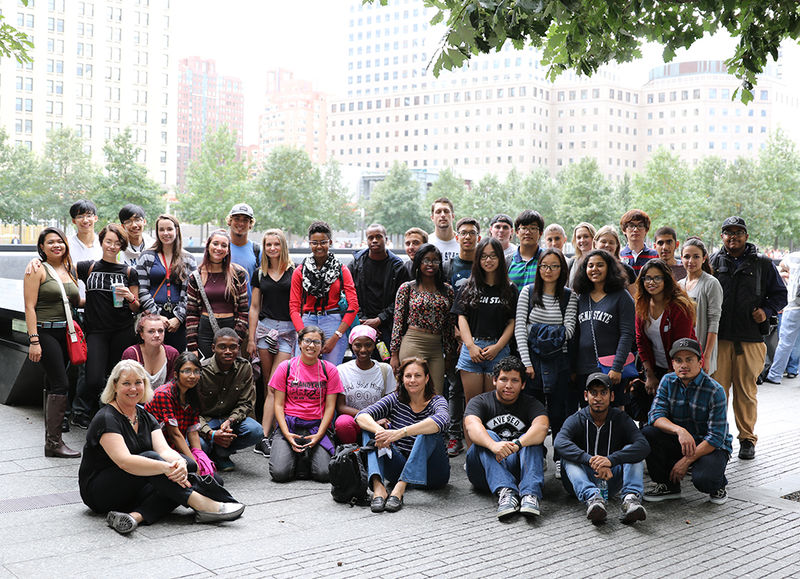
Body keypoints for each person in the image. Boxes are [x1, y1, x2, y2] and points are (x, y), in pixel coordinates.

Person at [79, 360, 244, 535]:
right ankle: (203, 505)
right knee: (156, 461)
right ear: (115, 385)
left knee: (190, 466)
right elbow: (124, 461)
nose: (133, 389)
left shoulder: (144, 415)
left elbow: (164, 450)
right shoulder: (106, 417)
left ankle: (136, 516)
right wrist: (165, 468)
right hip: (102, 491)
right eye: (126, 383)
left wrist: (179, 463)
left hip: (134, 486)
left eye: (138, 383)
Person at [710, 217, 787, 460]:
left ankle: (747, 439)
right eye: (728, 232)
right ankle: (718, 438)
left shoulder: (763, 264)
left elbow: (780, 295)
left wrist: (766, 311)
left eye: (738, 232)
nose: (733, 237)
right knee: (717, 392)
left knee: (746, 393)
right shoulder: (712, 262)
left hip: (750, 339)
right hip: (719, 339)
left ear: (746, 235)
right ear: (722, 236)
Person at [642, 338, 732, 505]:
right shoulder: (667, 381)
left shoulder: (715, 390)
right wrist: (680, 431)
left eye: (689, 359)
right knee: (648, 433)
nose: (683, 365)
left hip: (709, 446)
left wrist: (686, 461)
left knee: (704, 480)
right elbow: (654, 415)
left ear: (700, 362)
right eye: (678, 360)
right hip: (681, 441)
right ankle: (668, 486)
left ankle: (718, 485)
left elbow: (716, 436)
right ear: (673, 364)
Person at [356, 357, 450, 513]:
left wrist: (399, 433)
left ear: (426, 378)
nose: (412, 380)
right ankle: (378, 487)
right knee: (370, 429)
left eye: (418, 376)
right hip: (399, 466)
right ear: (402, 379)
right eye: (408, 376)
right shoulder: (395, 399)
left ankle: (400, 488)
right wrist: (381, 432)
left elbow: (442, 420)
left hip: (433, 473)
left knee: (428, 430)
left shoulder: (437, 401)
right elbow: (362, 415)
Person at [555, 373, 650, 524]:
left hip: (610, 479)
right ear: (586, 396)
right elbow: (559, 443)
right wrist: (591, 460)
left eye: (603, 393)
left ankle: (630, 499)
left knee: (633, 451)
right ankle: (593, 498)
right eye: (593, 393)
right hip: (580, 480)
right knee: (567, 457)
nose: (598, 398)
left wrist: (610, 461)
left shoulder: (620, 418)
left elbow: (643, 446)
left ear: (612, 396)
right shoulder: (577, 418)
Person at [515, 248, 576, 473]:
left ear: (562, 269)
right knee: (534, 412)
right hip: (531, 361)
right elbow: (520, 329)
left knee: (560, 413)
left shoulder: (570, 296)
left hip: (560, 361)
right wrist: (526, 362)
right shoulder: (527, 292)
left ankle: (560, 458)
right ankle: (536, 454)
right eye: (544, 266)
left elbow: (569, 330)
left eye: (554, 266)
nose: (548, 271)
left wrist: (535, 330)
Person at [73, 224, 140, 429]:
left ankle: (109, 417)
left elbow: (136, 307)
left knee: (117, 376)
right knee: (93, 378)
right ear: (101, 241)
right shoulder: (87, 267)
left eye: (117, 243)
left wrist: (130, 297)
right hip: (96, 331)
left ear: (122, 246)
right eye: (108, 241)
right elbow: (62, 273)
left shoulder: (129, 271)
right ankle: (97, 410)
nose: (112, 246)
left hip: (122, 330)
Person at [464, 356, 548, 519]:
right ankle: (506, 491)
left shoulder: (532, 404)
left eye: (515, 380)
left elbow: (542, 427)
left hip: (518, 467)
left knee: (531, 439)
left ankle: (530, 495)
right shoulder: (479, 401)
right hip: (483, 470)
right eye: (503, 379)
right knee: (486, 435)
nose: (508, 385)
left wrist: (518, 443)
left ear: (523, 384)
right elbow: (471, 427)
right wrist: (493, 445)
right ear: (494, 380)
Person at [23, 227, 83, 458]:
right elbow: (29, 306)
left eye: (60, 241)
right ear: (42, 247)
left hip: (66, 334)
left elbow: (75, 301)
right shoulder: (36, 269)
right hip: (45, 333)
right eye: (50, 242)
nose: (56, 245)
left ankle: (51, 439)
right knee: (61, 384)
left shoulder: (70, 269)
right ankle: (54, 443)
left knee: (52, 383)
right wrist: (34, 340)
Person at [454, 238, 518, 451]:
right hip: (471, 350)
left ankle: (494, 449)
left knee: (496, 404)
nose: (488, 260)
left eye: (493, 256)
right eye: (484, 256)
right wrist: (470, 346)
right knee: (472, 405)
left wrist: (498, 346)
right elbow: (461, 317)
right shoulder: (467, 286)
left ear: (500, 258)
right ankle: (473, 453)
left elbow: (512, 321)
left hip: (498, 351)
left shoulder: (509, 288)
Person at [268, 326, 342, 482]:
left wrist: (320, 434)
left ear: (322, 347)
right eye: (307, 341)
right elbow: (279, 405)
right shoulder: (285, 367)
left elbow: (330, 407)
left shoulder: (330, 370)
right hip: (290, 425)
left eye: (317, 342)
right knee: (280, 474)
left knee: (324, 474)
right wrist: (286, 434)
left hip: (317, 427)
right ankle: (298, 456)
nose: (311, 346)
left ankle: (304, 457)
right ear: (300, 343)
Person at [248, 229, 297, 458]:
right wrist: (250, 338)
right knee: (269, 384)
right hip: (265, 330)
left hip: (287, 331)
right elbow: (254, 307)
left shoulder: (294, 270)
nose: (272, 248)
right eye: (268, 244)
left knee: (278, 385)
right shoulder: (259, 273)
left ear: (283, 245)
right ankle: (264, 437)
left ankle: (273, 433)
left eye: (276, 244)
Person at [632, 259, 697, 421]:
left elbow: (681, 345)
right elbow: (641, 341)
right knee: (650, 416)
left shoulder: (680, 306)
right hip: (655, 367)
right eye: (647, 278)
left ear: (666, 279)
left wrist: (670, 377)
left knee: (675, 415)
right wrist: (650, 375)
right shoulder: (642, 304)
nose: (651, 282)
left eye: (657, 278)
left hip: (681, 368)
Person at [289, 220, 359, 365]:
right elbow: (294, 307)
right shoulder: (300, 271)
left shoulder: (341, 270)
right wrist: (303, 335)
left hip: (333, 322)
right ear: (309, 243)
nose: (319, 246)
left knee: (332, 371)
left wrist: (336, 336)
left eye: (323, 242)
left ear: (330, 242)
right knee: (302, 370)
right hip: (307, 321)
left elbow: (353, 306)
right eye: (314, 242)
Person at [390, 244, 456, 395]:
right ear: (418, 262)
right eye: (426, 260)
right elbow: (398, 322)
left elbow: (449, 325)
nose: (431, 264)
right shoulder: (407, 288)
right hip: (413, 342)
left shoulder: (447, 290)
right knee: (413, 391)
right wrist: (394, 354)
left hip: (436, 347)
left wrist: (449, 353)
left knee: (436, 392)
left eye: (435, 261)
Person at [573, 249, 635, 406]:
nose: (594, 269)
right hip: (584, 369)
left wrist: (617, 366)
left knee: (614, 414)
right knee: (588, 413)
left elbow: (627, 334)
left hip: (611, 369)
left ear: (609, 268)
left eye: (600, 265)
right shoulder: (582, 297)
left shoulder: (622, 296)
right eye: (590, 265)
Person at [196, 328, 264, 471]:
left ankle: (222, 453)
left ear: (238, 348)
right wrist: (211, 433)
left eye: (233, 347)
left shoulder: (244, 367)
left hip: (229, 420)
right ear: (213, 348)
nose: (228, 351)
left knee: (256, 431)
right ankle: (210, 451)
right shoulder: (201, 371)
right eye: (222, 347)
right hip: (206, 420)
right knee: (200, 445)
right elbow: (192, 412)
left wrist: (231, 420)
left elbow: (246, 403)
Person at [144, 352, 216, 476]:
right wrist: (194, 462)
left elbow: (192, 431)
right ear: (176, 374)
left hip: (176, 447)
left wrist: (199, 457)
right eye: (187, 371)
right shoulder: (164, 394)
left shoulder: (192, 394)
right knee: (193, 468)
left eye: (196, 371)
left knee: (211, 476)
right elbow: (174, 434)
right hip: (157, 448)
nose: (192, 376)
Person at [136, 214, 197, 353]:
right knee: (151, 356)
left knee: (177, 359)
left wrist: (179, 318)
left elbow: (191, 292)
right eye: (161, 229)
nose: (165, 233)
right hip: (152, 318)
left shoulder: (188, 259)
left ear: (177, 230)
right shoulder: (146, 256)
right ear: (157, 232)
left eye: (169, 229)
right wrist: (157, 316)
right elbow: (142, 290)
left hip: (178, 320)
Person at [185, 229, 249, 360]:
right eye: (215, 243)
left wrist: (236, 341)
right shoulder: (196, 276)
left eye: (224, 245)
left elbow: (243, 312)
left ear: (228, 250)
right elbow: (191, 314)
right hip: (205, 331)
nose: (219, 248)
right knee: (207, 373)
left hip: (231, 329)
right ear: (208, 246)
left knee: (228, 374)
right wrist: (192, 347)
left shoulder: (238, 274)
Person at [348, 223, 410, 350]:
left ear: (386, 239)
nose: (374, 240)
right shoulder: (356, 264)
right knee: (362, 362)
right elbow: (348, 293)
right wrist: (363, 320)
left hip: (388, 326)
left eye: (378, 236)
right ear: (367, 240)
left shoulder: (397, 267)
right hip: (361, 323)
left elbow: (401, 300)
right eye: (371, 237)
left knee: (386, 363)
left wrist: (379, 319)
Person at [335, 325, 396, 444]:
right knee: (342, 423)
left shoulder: (385, 369)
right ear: (351, 345)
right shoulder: (342, 370)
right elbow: (340, 407)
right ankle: (352, 454)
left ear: (374, 345)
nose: (363, 350)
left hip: (379, 420)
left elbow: (391, 403)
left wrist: (377, 420)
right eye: (358, 345)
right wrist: (367, 417)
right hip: (353, 420)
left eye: (368, 345)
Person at [678, 238, 723, 375]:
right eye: (687, 257)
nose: (691, 261)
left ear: (704, 258)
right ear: (681, 258)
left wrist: (707, 356)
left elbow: (714, 321)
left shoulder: (711, 283)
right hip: (683, 349)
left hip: (702, 348)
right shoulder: (679, 285)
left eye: (696, 256)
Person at [765, 249, 800, 384]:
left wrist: (790, 274)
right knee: (797, 342)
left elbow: (783, 266)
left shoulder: (794, 257)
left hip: (794, 305)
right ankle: (792, 369)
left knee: (786, 342)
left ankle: (775, 374)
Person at [122, 314, 180, 390]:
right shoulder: (131, 354)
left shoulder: (172, 354)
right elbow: (126, 387)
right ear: (141, 334)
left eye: (160, 331)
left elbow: (173, 388)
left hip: (164, 400)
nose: (157, 335)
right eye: (151, 331)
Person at [227, 203, 260, 304]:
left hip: (249, 313)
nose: (240, 223)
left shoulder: (258, 251)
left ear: (250, 224)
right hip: (223, 314)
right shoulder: (220, 249)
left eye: (245, 220)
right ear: (229, 221)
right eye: (237, 219)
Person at [508, 210, 544, 290]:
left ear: (540, 233)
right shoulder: (507, 261)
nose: (528, 232)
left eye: (533, 228)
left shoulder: (547, 259)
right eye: (524, 228)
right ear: (517, 232)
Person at [619, 209, 658, 275]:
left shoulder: (655, 256)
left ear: (646, 230)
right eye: (631, 226)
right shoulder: (619, 256)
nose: (635, 229)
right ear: (624, 230)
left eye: (640, 225)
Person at [428, 197, 459, 264]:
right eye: (438, 212)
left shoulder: (463, 242)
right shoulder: (427, 242)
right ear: (432, 217)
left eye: (446, 211)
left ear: (453, 216)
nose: (442, 215)